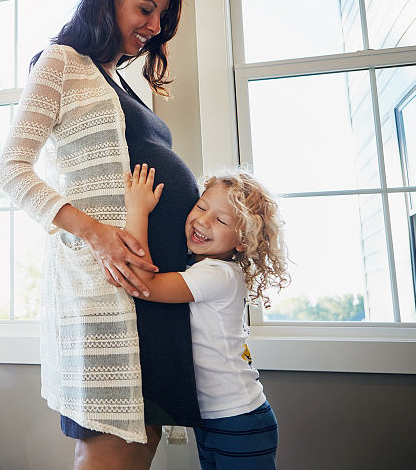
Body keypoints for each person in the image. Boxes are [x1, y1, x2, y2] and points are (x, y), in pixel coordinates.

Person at [0, 0, 200, 469]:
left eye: (161, 16)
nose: (154, 26)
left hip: (154, 297)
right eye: (145, 9)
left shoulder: (119, 82)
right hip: (110, 296)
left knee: (141, 448)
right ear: (108, 0)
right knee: (109, 452)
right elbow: (12, 170)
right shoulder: (61, 63)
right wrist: (95, 233)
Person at [122, 163, 290, 469]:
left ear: (242, 241)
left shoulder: (217, 274)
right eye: (201, 206)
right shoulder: (202, 269)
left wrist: (138, 210)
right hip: (218, 418)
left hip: (238, 420)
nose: (202, 221)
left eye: (221, 220)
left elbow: (141, 284)